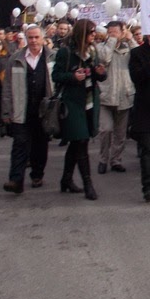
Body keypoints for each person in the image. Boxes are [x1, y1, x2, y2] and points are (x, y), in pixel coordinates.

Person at [52, 19, 107, 200]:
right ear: (82, 33)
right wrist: (73, 76)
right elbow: (56, 75)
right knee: (81, 141)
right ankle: (88, 184)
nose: (94, 36)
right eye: (91, 33)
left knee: (76, 143)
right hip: (72, 103)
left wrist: (100, 72)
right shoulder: (65, 52)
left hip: (90, 102)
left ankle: (66, 179)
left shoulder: (93, 51)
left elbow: (101, 77)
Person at [1, 24, 52, 193]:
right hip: (21, 110)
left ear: (43, 38)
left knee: (40, 144)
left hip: (44, 111)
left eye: (37, 37)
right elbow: (7, 86)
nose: (34, 41)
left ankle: (37, 174)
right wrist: (6, 110)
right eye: (30, 37)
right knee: (20, 144)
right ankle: (16, 180)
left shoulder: (52, 58)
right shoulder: (16, 59)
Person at [96, 20, 134, 175]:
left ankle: (116, 160)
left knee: (120, 133)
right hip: (107, 95)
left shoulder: (128, 49)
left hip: (124, 95)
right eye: (109, 32)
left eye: (115, 32)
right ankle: (103, 159)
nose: (112, 35)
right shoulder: (101, 48)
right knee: (106, 129)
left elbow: (140, 55)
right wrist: (112, 40)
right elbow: (104, 59)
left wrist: (130, 39)